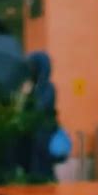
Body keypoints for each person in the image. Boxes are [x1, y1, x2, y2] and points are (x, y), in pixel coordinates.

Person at [26, 51, 57, 180]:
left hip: (43, 138)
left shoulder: (48, 88)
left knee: (42, 169)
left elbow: (41, 108)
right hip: (29, 138)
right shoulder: (30, 87)